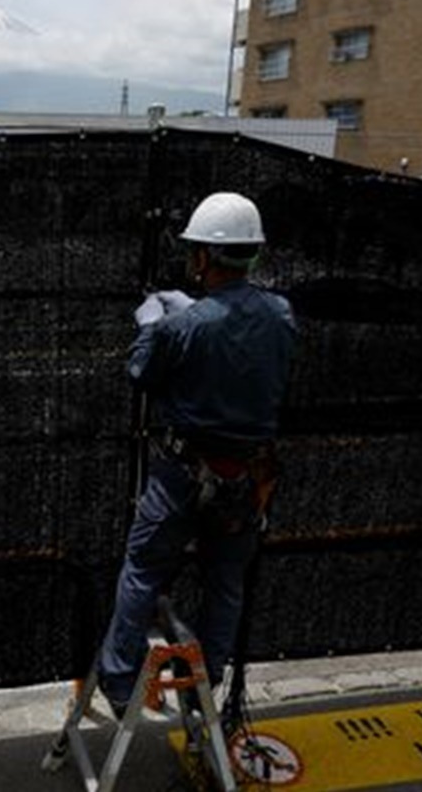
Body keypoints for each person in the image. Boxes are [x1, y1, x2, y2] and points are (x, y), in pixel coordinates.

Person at [96, 191, 297, 716]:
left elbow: (141, 375)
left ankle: (119, 685)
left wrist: (152, 327)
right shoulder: (281, 315)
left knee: (142, 569)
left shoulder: (183, 326)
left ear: (204, 256)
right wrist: (201, 312)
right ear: (252, 254)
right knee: (225, 582)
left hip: (184, 475)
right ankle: (201, 686)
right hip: (248, 478)